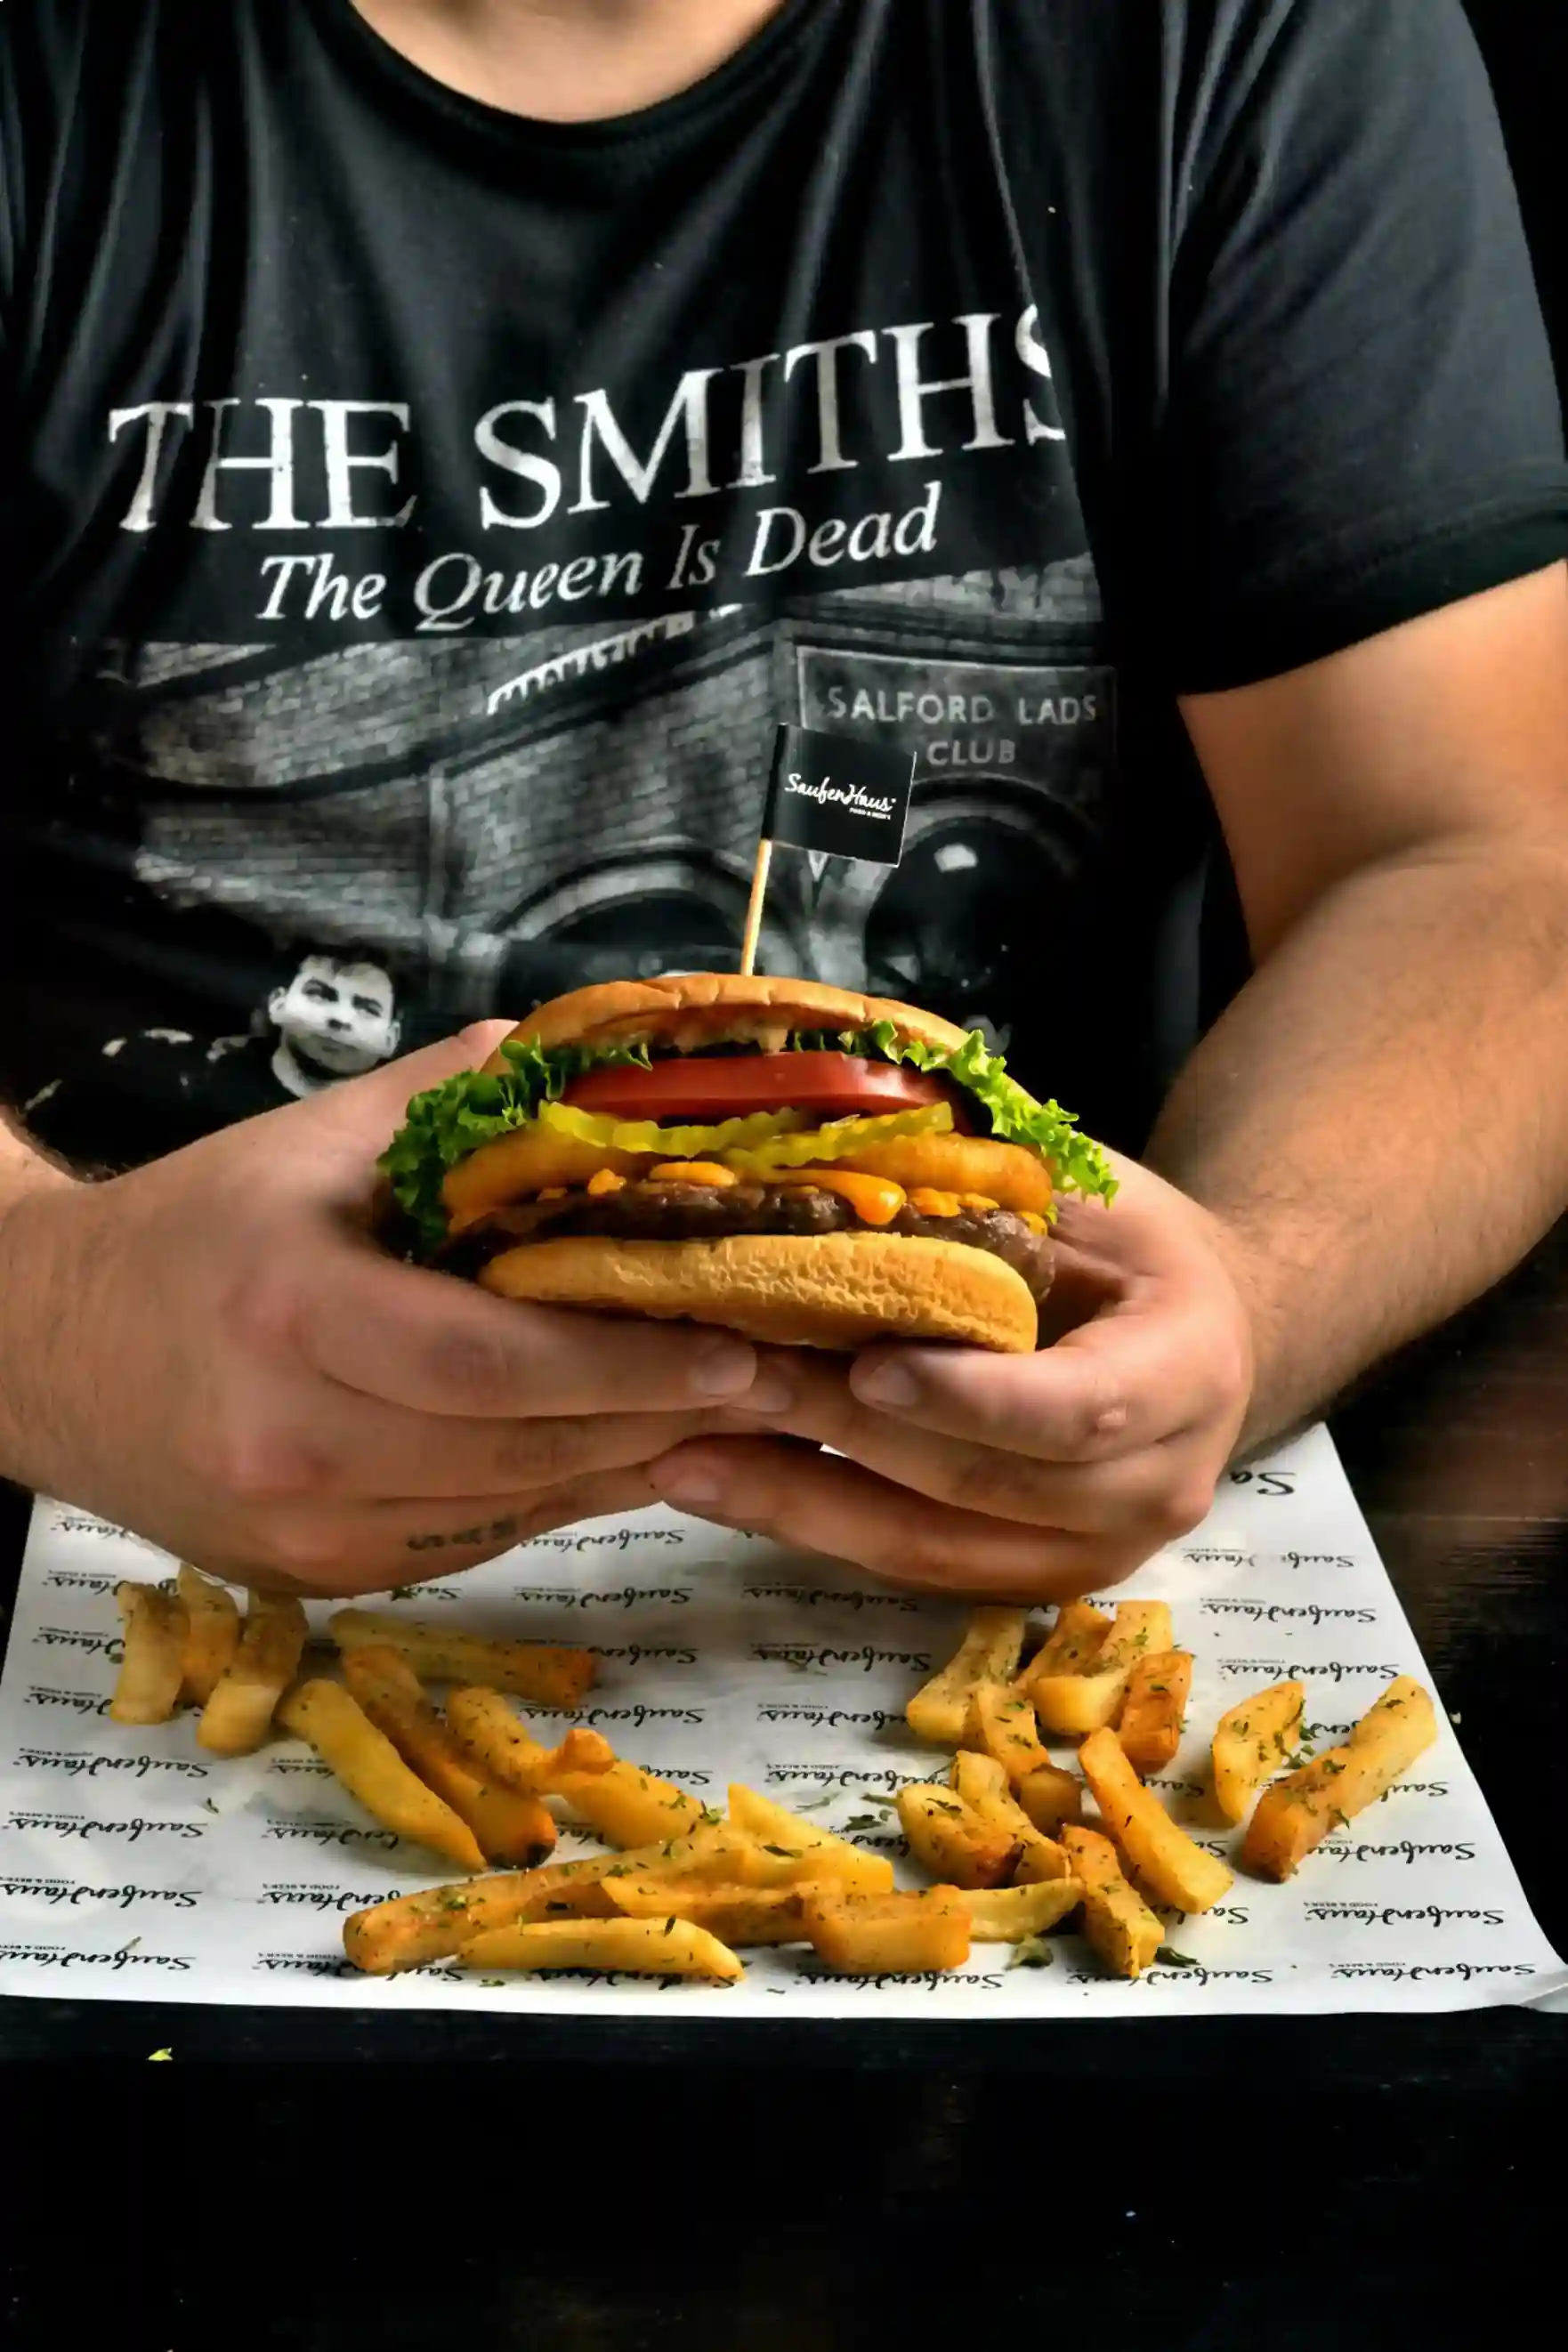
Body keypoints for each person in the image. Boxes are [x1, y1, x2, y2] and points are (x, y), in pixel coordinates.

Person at [1, 0, 1565, 1604]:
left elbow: (1476, 852)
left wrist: (1254, 1290)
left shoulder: (1236, 34)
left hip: (1010, 1566)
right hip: (93, 1537)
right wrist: (48, 1320)